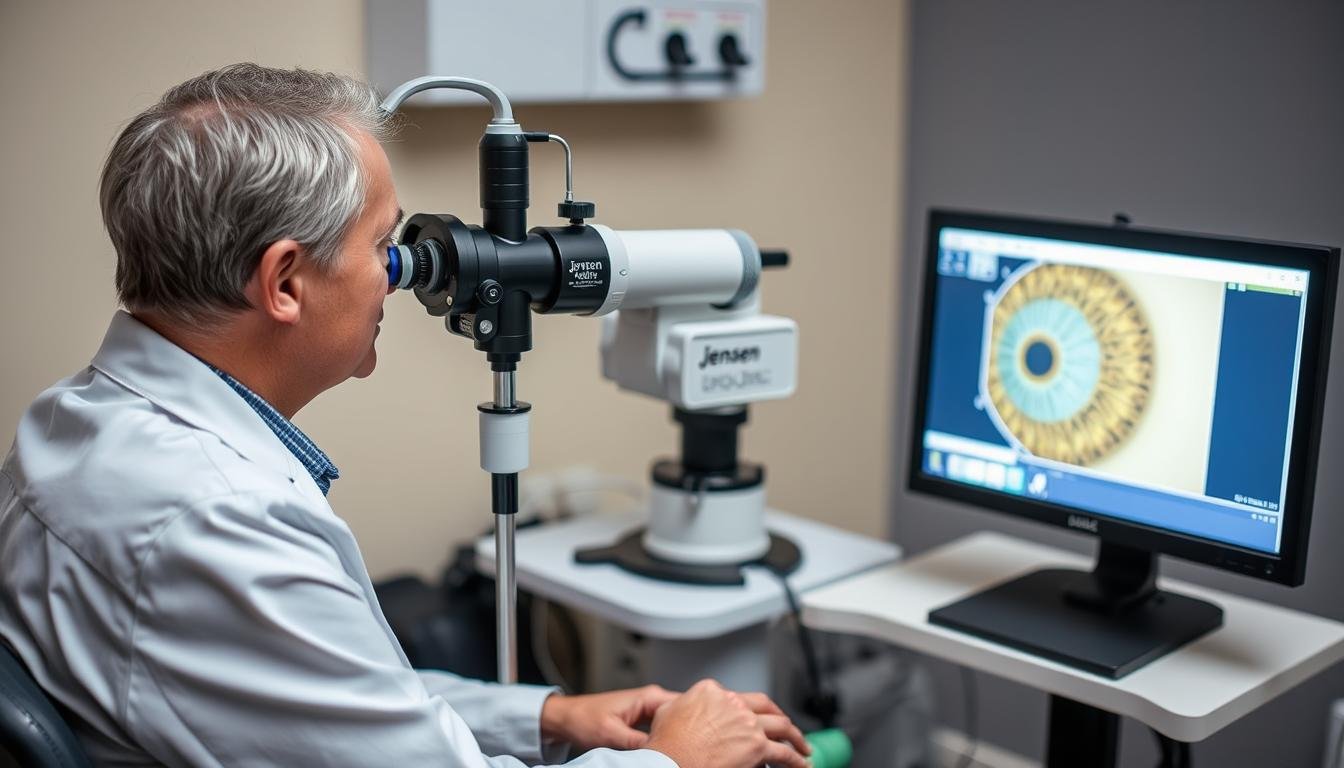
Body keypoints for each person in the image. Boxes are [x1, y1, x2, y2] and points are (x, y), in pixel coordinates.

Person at [0, 63, 810, 768]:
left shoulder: (75, 420)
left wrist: (544, 717)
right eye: (383, 247)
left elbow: (319, 697)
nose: (399, 278)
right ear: (284, 282)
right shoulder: (218, 523)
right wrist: (677, 760)